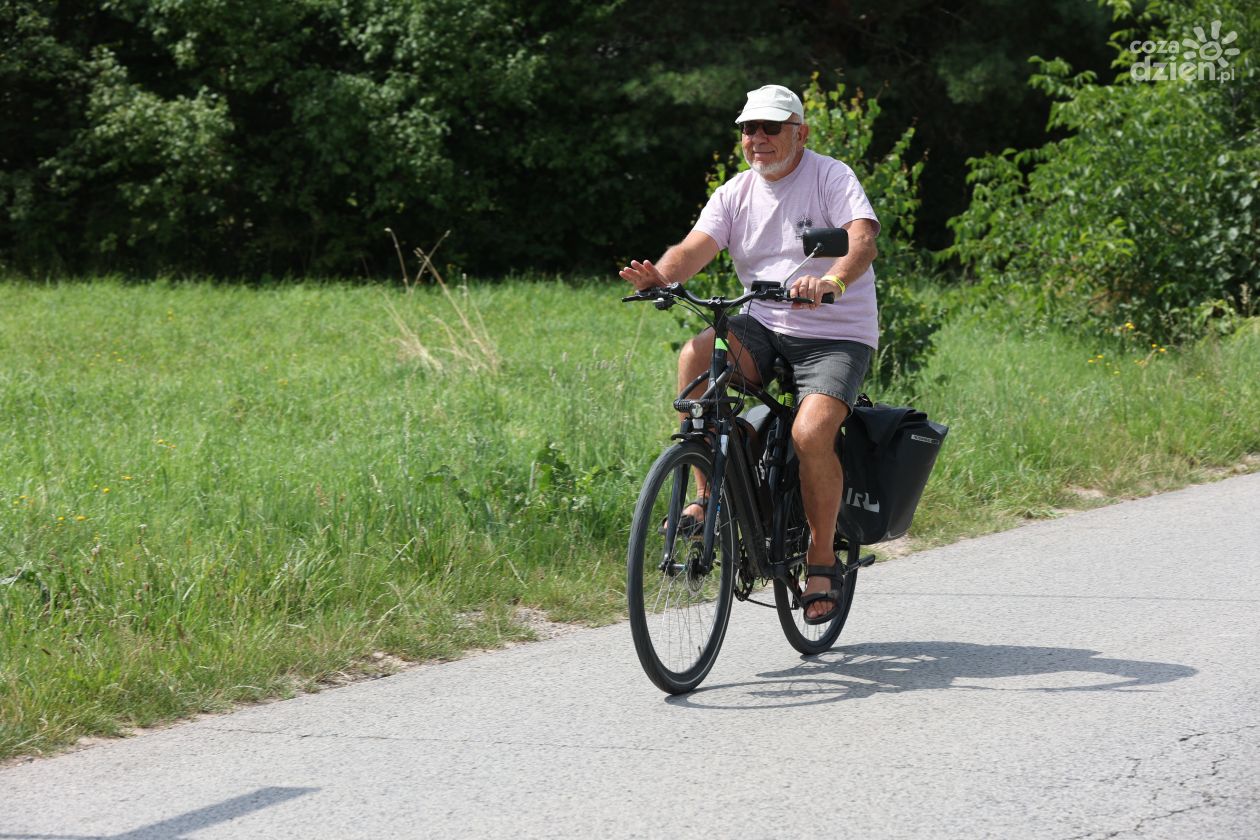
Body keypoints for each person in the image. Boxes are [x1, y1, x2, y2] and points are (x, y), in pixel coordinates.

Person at [619, 83, 880, 624]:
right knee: (696, 357)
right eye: (748, 128)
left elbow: (861, 240)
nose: (757, 137)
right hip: (764, 323)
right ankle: (706, 494)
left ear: (800, 133)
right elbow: (694, 247)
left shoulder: (831, 177)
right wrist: (660, 276)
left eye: (770, 127)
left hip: (835, 333)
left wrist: (831, 280)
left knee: (811, 434)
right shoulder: (735, 192)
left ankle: (821, 557)